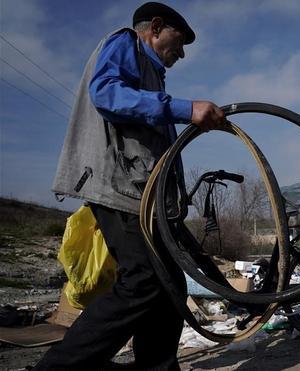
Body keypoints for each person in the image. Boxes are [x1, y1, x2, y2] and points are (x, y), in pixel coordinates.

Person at [36, 2, 226, 370]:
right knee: (142, 282)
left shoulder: (152, 76)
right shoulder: (126, 43)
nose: (182, 52)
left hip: (144, 198)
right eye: (178, 40)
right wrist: (186, 109)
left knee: (169, 285)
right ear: (155, 27)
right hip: (121, 191)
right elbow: (106, 94)